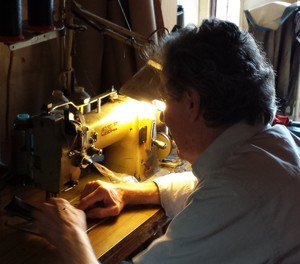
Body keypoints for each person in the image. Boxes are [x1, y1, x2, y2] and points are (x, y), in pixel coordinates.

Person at [34, 18, 300, 263]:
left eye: (166, 101)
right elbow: (204, 184)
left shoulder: (235, 197)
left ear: (192, 103)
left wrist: (72, 238)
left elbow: (227, 194)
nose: (164, 118)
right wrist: (129, 192)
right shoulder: (273, 144)